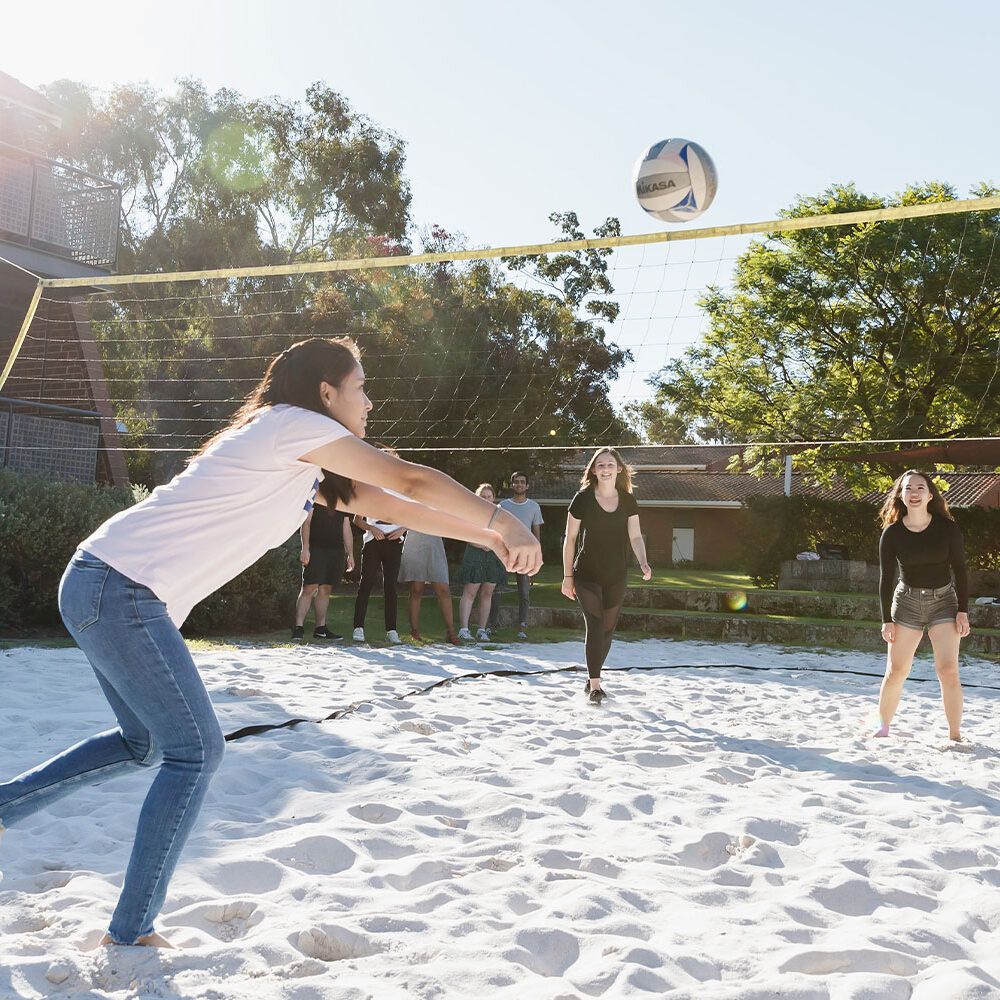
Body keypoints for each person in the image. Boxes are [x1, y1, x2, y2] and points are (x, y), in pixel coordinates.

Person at [0, 337, 541, 948]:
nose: (371, 400)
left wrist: (486, 537)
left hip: (107, 583)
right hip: (120, 587)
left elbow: (395, 503)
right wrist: (501, 518)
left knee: (148, 744)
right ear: (326, 393)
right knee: (195, 752)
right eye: (361, 387)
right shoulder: (290, 427)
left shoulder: (304, 461)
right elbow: (410, 479)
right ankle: (131, 931)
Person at [874, 469, 970, 743]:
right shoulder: (892, 533)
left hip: (944, 602)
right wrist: (886, 619)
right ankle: (882, 728)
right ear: (901, 496)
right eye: (907, 489)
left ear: (930, 495)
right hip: (906, 603)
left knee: (948, 669)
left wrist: (962, 610)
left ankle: (955, 735)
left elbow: (961, 571)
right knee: (896, 670)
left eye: (919, 488)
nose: (913, 493)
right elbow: (886, 578)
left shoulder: (948, 529)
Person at [562, 448, 651, 704]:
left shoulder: (627, 500)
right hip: (587, 572)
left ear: (619, 469)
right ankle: (596, 687)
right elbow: (570, 539)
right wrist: (568, 576)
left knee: (608, 629)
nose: (605, 468)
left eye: (610, 464)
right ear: (593, 470)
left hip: (616, 573)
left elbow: (635, 536)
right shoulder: (583, 499)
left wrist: (643, 562)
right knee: (596, 625)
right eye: (600, 465)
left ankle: (591, 676)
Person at [351, 475, 407, 643]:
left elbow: (413, 519)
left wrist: (403, 529)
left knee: (391, 587)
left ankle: (391, 631)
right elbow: (356, 519)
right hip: (373, 542)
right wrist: (372, 528)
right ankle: (358, 628)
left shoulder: (402, 493)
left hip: (394, 543)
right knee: (366, 584)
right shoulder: (370, 491)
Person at [488, 470, 543, 638]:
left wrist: (537, 554)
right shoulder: (503, 506)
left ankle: (522, 626)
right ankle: (492, 624)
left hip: (525, 554)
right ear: (512, 485)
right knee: (497, 589)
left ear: (527, 485)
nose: (519, 484)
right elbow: (495, 529)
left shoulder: (534, 506)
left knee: (524, 593)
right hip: (504, 552)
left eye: (522, 482)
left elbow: (536, 532)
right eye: (516, 482)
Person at [292, 502, 354, 641]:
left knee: (326, 588)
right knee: (309, 587)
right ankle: (298, 628)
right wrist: (305, 548)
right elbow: (306, 522)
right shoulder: (317, 495)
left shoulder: (343, 501)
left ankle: (320, 629)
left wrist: (350, 554)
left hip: (336, 550)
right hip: (316, 548)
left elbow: (346, 526)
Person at [455, 483, 508, 641]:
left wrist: (491, 546)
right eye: (482, 496)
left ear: (493, 498)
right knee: (470, 592)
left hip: (492, 557)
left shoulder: (500, 515)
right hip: (475, 554)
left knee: (487, 594)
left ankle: (482, 630)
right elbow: (466, 534)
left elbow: (503, 535)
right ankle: (464, 629)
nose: (486, 499)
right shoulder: (471, 514)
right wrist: (482, 544)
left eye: (488, 496)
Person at [398, 529, 460, 644]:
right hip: (415, 538)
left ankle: (451, 632)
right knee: (416, 588)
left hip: (434, 539)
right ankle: (414, 631)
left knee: (443, 588)